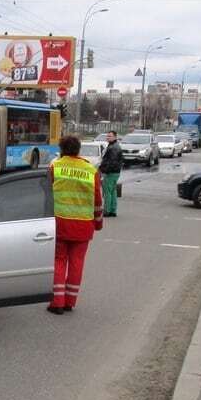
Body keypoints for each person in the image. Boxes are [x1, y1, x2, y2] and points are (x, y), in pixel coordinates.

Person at [47, 135, 103, 314]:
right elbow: (98, 200)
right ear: (79, 149)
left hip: (60, 223)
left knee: (59, 261)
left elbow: (46, 195)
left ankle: (57, 302)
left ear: (61, 149)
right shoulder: (91, 170)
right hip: (83, 226)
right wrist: (98, 222)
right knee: (77, 263)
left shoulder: (55, 166)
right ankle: (70, 301)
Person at [98, 130, 123, 217]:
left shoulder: (113, 147)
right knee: (113, 191)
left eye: (110, 136)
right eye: (107, 136)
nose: (108, 137)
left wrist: (104, 171)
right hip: (115, 172)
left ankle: (107, 211)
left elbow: (112, 162)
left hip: (110, 172)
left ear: (115, 137)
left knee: (107, 192)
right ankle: (113, 210)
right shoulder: (114, 146)